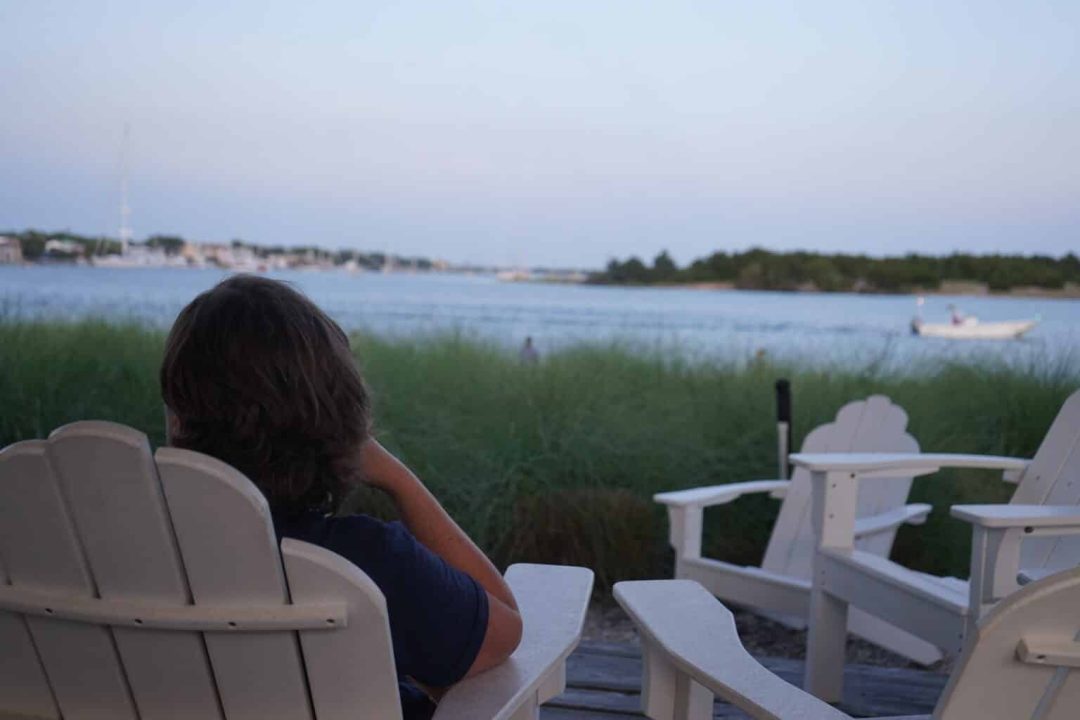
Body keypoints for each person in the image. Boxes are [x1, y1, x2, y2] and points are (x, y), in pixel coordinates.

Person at [160, 275, 522, 719]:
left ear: (179, 419)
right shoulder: (364, 560)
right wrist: (398, 480)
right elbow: (503, 630)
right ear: (339, 421)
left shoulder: (121, 552)